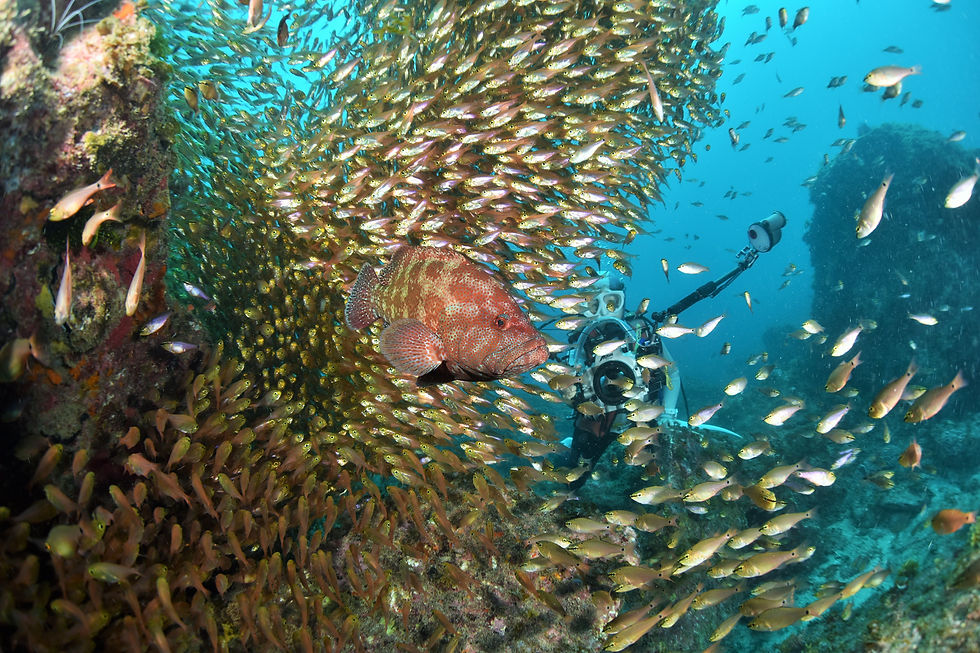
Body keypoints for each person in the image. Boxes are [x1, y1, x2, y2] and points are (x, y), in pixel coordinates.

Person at [549, 212, 787, 489]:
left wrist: (668, 414)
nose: (604, 310)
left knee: (649, 484)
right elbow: (563, 383)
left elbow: (670, 369)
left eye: (611, 302)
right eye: (594, 303)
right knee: (573, 479)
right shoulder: (580, 341)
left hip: (643, 422)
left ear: (623, 301)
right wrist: (569, 391)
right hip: (593, 421)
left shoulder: (642, 333)